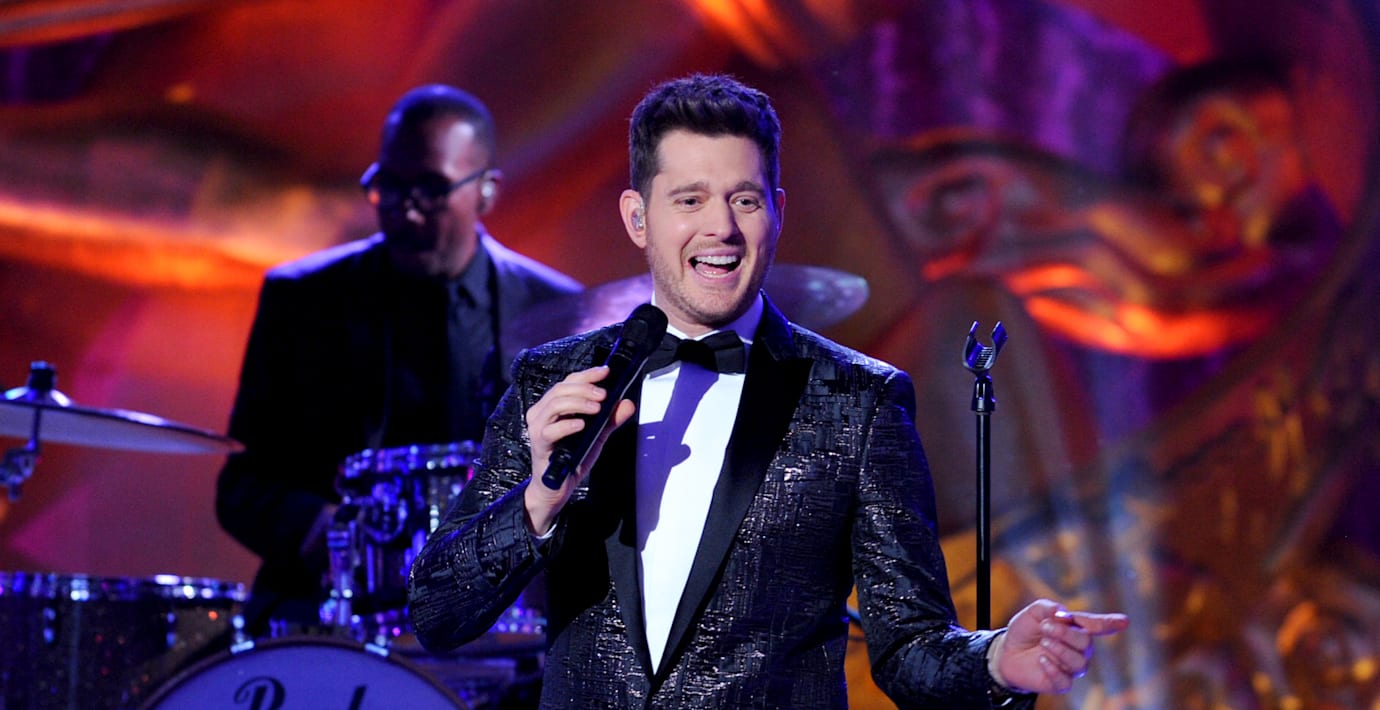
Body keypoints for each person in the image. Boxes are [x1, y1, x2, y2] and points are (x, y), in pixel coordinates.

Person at [407, 73, 1126, 708]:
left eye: (744, 200)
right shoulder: (554, 381)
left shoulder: (858, 400)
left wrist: (995, 661)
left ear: (777, 211)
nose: (720, 227)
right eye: (689, 199)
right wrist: (537, 502)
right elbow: (437, 612)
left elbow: (909, 646)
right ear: (638, 217)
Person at [218, 84, 581, 636]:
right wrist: (323, 533)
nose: (405, 210)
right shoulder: (302, 300)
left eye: (431, 189)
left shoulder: (558, 310)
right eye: (389, 186)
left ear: (486, 191)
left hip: (503, 627)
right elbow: (243, 484)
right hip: (330, 621)